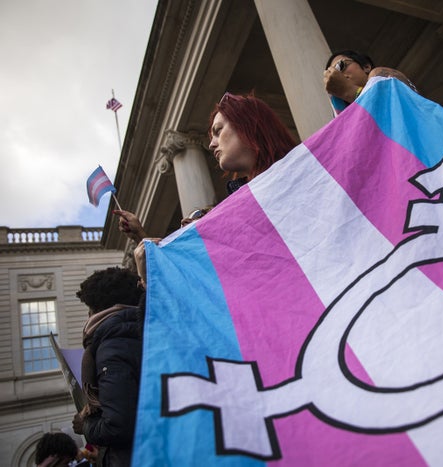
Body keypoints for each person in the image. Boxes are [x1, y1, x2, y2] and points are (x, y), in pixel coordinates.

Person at [132, 93, 297, 287]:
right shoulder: (237, 206)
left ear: (251, 125)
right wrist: (150, 274)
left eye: (218, 131)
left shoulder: (306, 174)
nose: (211, 144)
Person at [72, 267, 145, 467]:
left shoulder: (113, 343)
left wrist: (85, 425)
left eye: (89, 309)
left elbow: (119, 426)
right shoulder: (138, 331)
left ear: (98, 309)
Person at [323, 49, 416, 115]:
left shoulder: (380, 74)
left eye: (341, 66)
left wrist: (348, 91)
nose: (338, 76)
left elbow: (395, 107)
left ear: (366, 67)